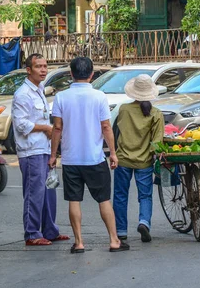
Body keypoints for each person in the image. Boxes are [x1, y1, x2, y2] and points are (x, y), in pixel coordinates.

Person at [49, 57, 129, 253]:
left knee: (74, 200)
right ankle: (113, 240)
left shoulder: (61, 97)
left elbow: (57, 128)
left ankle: (79, 242)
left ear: (71, 74)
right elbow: (106, 127)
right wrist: (113, 153)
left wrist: (53, 155)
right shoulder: (99, 96)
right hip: (94, 157)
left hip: (70, 158)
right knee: (104, 200)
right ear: (92, 74)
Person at [12, 53, 70, 246]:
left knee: (49, 192)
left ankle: (50, 230)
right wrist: (45, 128)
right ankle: (32, 233)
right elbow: (21, 124)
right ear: (29, 70)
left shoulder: (40, 90)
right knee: (34, 193)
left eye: (45, 66)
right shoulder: (22, 94)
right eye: (39, 66)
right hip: (30, 150)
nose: (43, 70)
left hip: (44, 148)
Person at [113, 75, 164, 243]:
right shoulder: (156, 114)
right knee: (145, 196)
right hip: (144, 162)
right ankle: (144, 222)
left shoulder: (123, 110)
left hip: (123, 159)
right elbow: (157, 143)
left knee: (120, 195)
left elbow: (117, 133)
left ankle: (120, 230)